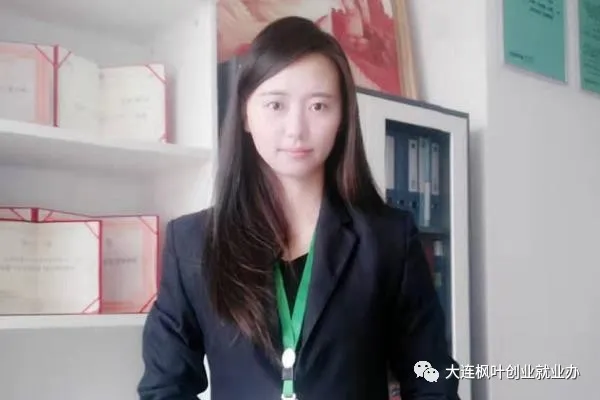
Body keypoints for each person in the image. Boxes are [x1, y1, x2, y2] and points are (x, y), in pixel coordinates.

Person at [137, 16, 460, 400]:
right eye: (275, 104)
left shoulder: (388, 239)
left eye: (318, 106)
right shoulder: (193, 244)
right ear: (245, 113)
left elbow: (433, 382)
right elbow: (165, 388)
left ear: (343, 118)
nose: (296, 129)